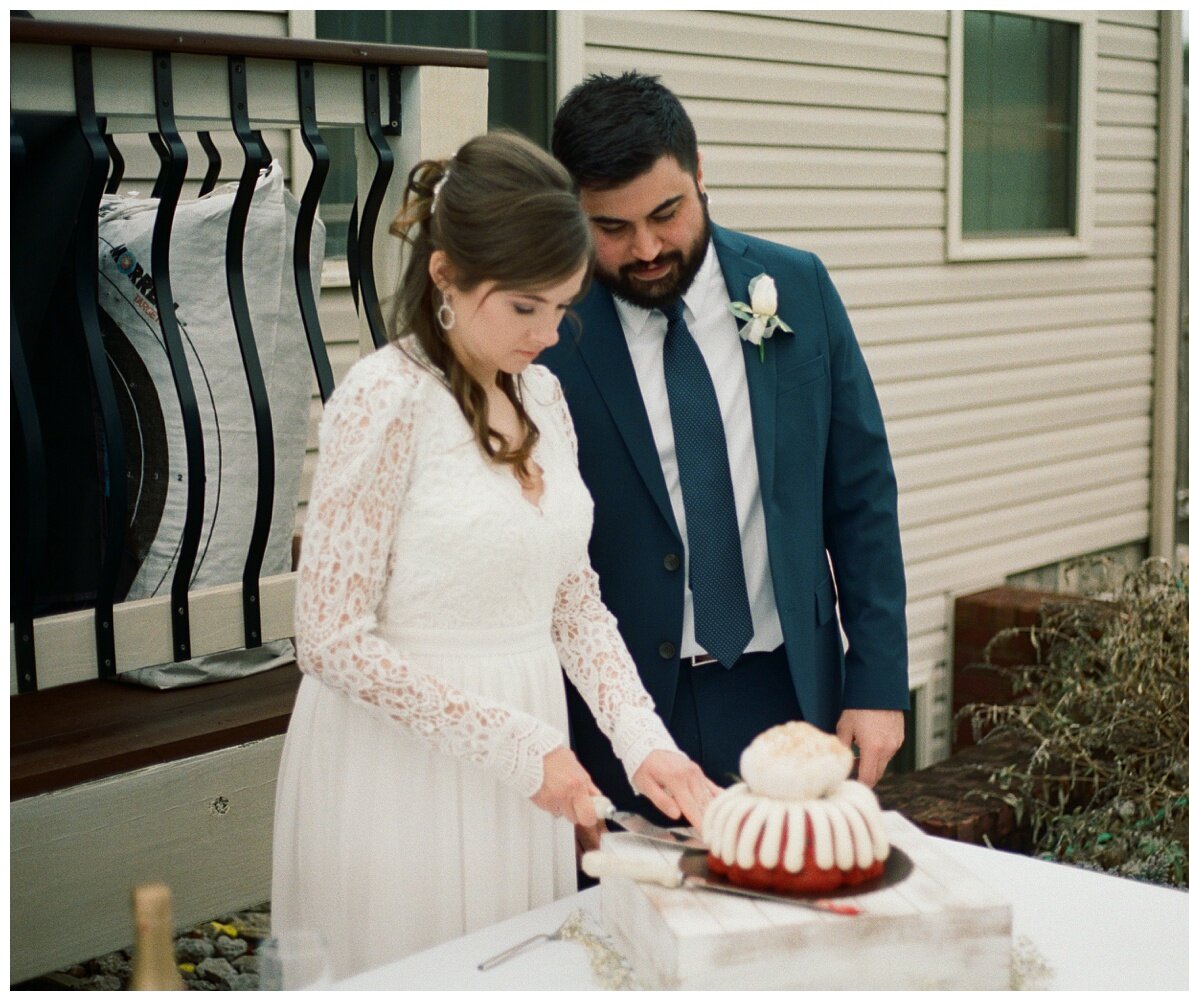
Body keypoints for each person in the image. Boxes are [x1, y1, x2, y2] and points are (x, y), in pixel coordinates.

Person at [270, 131, 716, 986]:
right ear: (445, 275)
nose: (548, 333)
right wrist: (518, 746)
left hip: (527, 761)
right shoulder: (385, 398)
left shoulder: (542, 395)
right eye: (524, 308)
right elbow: (325, 636)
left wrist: (642, 742)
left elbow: (572, 600)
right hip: (402, 772)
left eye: (563, 306)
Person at [541, 72, 910, 829]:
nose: (644, 248)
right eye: (610, 227)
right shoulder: (550, 332)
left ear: (701, 172)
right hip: (624, 710)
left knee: (799, 912)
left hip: (788, 691)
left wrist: (877, 681)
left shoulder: (798, 287)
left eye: (665, 214)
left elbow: (862, 494)